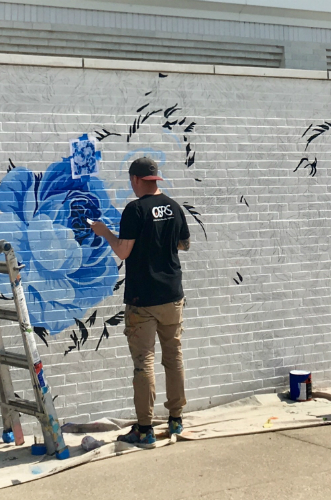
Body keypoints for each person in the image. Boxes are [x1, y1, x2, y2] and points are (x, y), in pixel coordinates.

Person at [90, 157, 191, 446]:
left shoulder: (134, 210)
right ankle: (175, 420)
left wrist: (104, 232)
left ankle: (145, 429)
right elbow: (184, 243)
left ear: (136, 179)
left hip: (143, 298)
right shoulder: (173, 206)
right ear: (155, 179)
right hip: (172, 295)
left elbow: (123, 251)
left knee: (144, 362)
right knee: (173, 357)